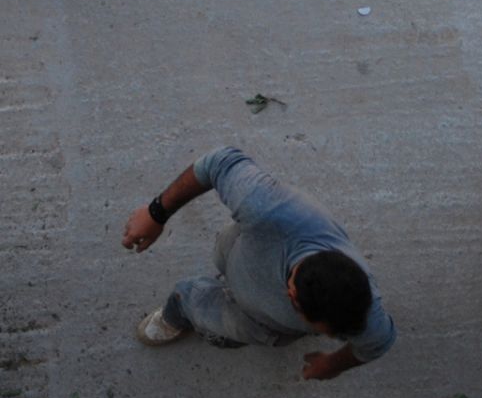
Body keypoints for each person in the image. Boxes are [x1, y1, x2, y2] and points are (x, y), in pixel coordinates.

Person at [121, 146, 396, 380]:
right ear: (292, 296)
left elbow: (377, 343)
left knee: (195, 299)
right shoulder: (269, 209)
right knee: (205, 279)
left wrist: (333, 365)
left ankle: (184, 308)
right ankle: (182, 310)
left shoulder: (365, 315)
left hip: (259, 323)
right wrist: (156, 213)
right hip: (236, 253)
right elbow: (220, 160)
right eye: (319, 329)